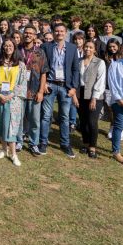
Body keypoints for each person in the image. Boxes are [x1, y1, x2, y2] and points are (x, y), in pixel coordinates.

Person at [39, 23, 80, 158]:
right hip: (50, 85)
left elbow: (75, 69)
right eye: (56, 31)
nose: (59, 33)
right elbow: (41, 67)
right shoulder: (46, 46)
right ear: (53, 32)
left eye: (62, 31)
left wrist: (74, 87)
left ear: (66, 32)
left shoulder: (73, 48)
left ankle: (65, 144)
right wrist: (43, 84)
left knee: (64, 117)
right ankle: (43, 142)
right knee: (46, 116)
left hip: (65, 87)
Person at [0, 38, 27, 166]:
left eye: (10, 45)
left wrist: (11, 95)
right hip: (0, 98)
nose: (8, 48)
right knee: (1, 123)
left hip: (14, 100)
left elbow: (22, 83)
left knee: (11, 126)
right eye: (5, 46)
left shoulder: (20, 65)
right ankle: (3, 149)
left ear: (14, 47)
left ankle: (13, 154)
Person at [19, 26, 48, 156]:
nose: (28, 35)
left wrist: (41, 91)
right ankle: (18, 140)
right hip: (19, 91)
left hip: (34, 90)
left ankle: (33, 143)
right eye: (26, 33)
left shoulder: (40, 52)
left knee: (35, 119)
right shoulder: (17, 50)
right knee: (19, 118)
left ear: (35, 36)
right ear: (23, 34)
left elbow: (43, 73)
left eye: (31, 33)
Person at [76, 41, 106, 159]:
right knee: (83, 121)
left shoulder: (100, 62)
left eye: (90, 47)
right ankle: (85, 143)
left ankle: (92, 147)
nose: (88, 49)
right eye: (86, 47)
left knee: (92, 122)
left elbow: (100, 81)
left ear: (95, 49)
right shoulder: (79, 61)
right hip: (80, 94)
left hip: (95, 96)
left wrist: (94, 98)